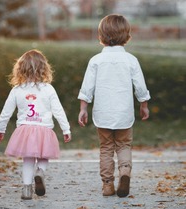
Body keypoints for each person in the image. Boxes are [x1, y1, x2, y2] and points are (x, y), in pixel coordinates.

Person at [78, 14, 150, 197]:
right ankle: (125, 170)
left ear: (101, 35)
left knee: (106, 148)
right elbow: (140, 86)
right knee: (124, 145)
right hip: (124, 114)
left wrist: (83, 108)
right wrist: (144, 105)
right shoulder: (131, 60)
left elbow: (87, 87)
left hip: (103, 114)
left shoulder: (96, 60)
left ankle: (108, 185)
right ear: (126, 35)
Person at [0, 49, 71, 200]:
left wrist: (0, 129)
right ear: (44, 68)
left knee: (28, 159)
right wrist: (65, 128)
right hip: (44, 130)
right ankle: (40, 172)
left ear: (20, 69)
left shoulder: (16, 90)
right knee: (44, 156)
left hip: (25, 131)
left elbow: (6, 112)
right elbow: (58, 111)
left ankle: (27, 190)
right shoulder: (48, 89)